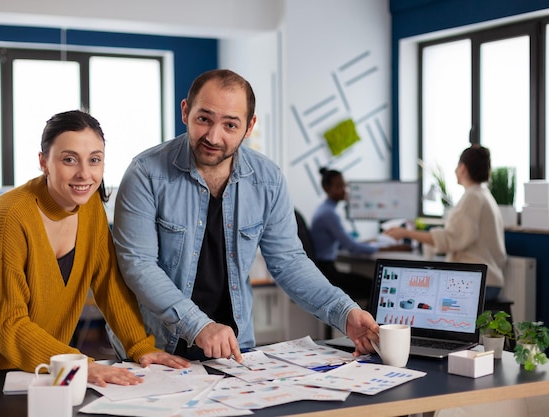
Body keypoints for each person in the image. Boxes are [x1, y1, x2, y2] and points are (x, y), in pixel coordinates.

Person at [0, 110, 189, 417]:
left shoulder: (90, 211)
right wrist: (81, 365)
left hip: (18, 354)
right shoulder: (9, 218)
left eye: (94, 159)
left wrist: (141, 347)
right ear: (43, 162)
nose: (84, 174)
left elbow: (109, 285)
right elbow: (8, 324)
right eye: (69, 159)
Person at [108, 69, 379, 363]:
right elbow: (138, 265)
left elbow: (290, 262)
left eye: (230, 125)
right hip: (156, 346)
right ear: (186, 111)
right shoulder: (146, 173)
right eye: (204, 119)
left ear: (249, 127)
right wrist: (199, 325)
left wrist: (345, 311)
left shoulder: (268, 180)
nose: (214, 136)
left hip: (235, 347)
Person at [385, 144, 506, 301]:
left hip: (477, 282)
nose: (455, 170)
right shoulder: (484, 195)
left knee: (414, 294)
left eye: (457, 166)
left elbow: (450, 239)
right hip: (487, 279)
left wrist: (406, 233)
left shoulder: (472, 198)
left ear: (463, 168)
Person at [310, 168, 379, 303]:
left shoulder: (325, 209)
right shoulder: (329, 214)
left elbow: (343, 243)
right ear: (327, 188)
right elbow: (351, 247)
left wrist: (367, 243)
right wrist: (381, 248)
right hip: (327, 272)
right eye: (339, 186)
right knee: (375, 286)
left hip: (324, 269)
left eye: (345, 185)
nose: (345, 190)